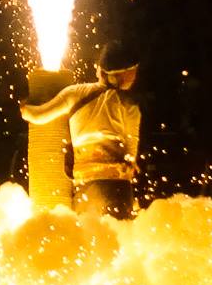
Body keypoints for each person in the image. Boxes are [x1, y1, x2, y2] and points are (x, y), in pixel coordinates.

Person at [19, 41, 142, 219]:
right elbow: (131, 152)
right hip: (118, 187)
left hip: (85, 186)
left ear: (99, 71)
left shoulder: (75, 93)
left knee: (87, 238)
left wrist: (23, 108)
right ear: (123, 75)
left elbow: (38, 116)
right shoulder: (129, 105)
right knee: (117, 237)